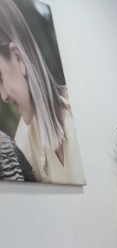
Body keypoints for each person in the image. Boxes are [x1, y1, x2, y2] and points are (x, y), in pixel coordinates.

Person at [0, 0, 84, 184]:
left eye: (0, 78)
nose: (3, 96)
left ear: (18, 58)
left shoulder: (81, 116)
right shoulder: (23, 138)